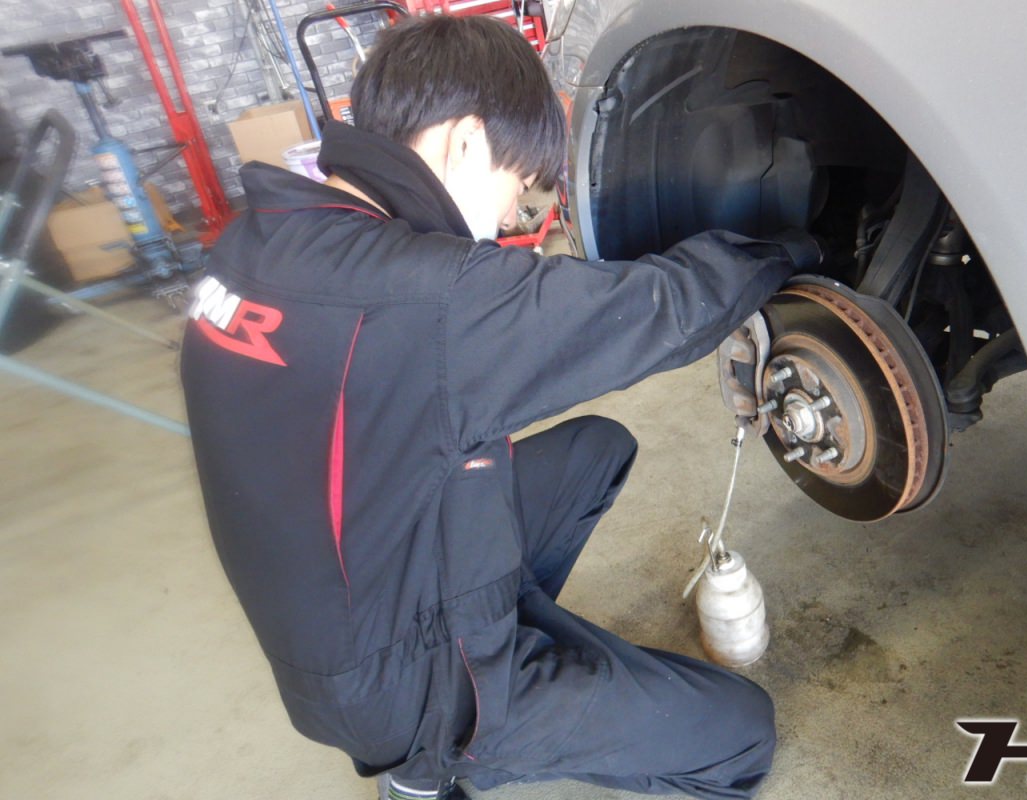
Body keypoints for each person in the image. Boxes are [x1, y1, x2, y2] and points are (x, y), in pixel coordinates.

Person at [180, 14, 820, 800]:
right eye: (518, 182)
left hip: (338, 611)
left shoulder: (256, 243)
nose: (516, 215)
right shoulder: (427, 298)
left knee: (594, 451)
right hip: (402, 688)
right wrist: (796, 246)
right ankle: (433, 762)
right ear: (465, 141)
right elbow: (660, 309)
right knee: (742, 734)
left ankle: (498, 644)